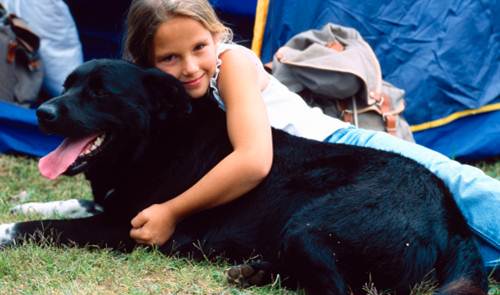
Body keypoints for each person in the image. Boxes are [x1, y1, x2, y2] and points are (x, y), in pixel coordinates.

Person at [123, 0, 499, 271]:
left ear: (217, 35)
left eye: (199, 47)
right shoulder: (171, 99)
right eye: (169, 58)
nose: (189, 67)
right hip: (307, 181)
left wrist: (171, 212)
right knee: (438, 229)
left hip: (345, 151)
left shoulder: (230, 65)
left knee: (458, 183)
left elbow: (253, 161)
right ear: (146, 63)